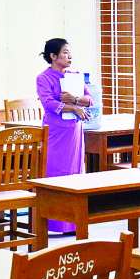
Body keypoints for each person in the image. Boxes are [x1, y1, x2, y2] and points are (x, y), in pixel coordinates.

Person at [36, 38, 92, 235]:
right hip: (55, 132)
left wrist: (75, 100)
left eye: (70, 52)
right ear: (53, 56)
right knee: (55, 172)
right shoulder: (43, 78)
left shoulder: (75, 75)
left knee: (75, 172)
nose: (70, 56)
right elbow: (48, 103)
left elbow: (90, 99)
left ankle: (74, 222)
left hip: (74, 131)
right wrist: (73, 108)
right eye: (65, 52)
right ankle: (54, 222)